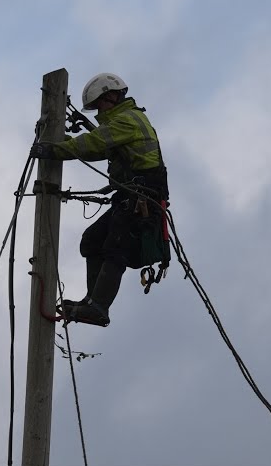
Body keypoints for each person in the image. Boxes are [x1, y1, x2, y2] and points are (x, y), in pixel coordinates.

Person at [29, 72, 169, 327]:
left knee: (116, 247)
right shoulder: (120, 122)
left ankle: (98, 308)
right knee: (92, 240)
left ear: (112, 96)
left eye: (99, 104)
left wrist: (53, 149)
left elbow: (93, 143)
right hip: (129, 196)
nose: (98, 111)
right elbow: (98, 147)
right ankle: (91, 302)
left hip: (141, 198)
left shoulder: (127, 120)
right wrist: (62, 144)